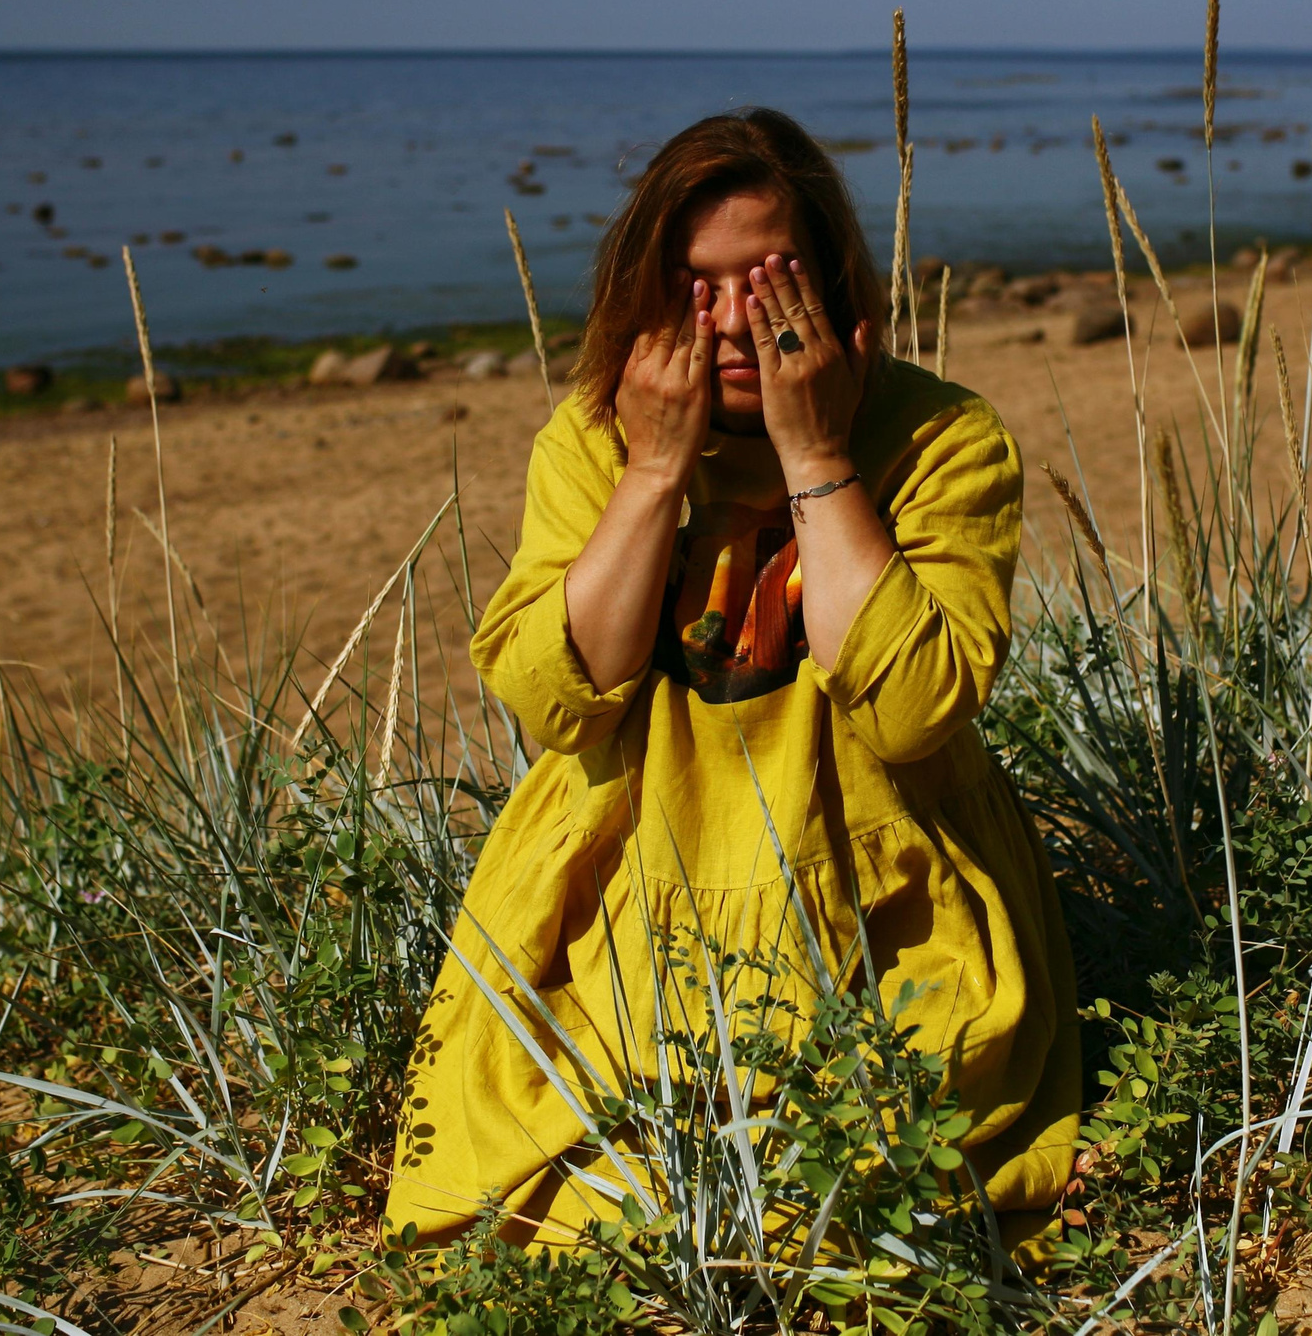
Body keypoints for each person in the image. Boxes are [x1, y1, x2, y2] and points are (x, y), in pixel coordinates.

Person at [385, 107, 1077, 1247]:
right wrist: (655, 470)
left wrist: (816, 456)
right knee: (591, 1189)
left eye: (772, 280)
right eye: (698, 287)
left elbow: (909, 713)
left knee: (857, 1195)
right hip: (636, 855)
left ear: (832, 278)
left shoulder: (944, 436)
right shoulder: (595, 437)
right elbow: (560, 700)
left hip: (872, 870)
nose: (736, 324)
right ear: (651, 291)